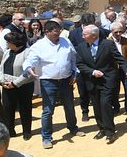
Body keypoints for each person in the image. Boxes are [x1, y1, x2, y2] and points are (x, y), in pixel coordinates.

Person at [24, 20, 83, 149]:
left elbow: (73, 58)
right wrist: (29, 69)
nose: (58, 36)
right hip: (48, 81)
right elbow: (30, 60)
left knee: (69, 106)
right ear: (47, 32)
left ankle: (73, 128)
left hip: (66, 80)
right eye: (55, 33)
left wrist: (74, 72)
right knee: (48, 110)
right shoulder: (39, 46)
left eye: (59, 32)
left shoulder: (65, 41)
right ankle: (46, 137)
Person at [76, 25, 127, 144]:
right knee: (96, 105)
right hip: (92, 80)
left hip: (107, 79)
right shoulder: (81, 47)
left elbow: (119, 58)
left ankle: (110, 132)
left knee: (105, 103)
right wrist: (92, 72)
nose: (82, 36)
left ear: (94, 35)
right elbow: (80, 64)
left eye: (84, 34)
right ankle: (101, 128)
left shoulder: (107, 44)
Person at [0, 32, 35, 139]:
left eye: (8, 42)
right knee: (8, 109)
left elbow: (29, 72)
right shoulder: (7, 52)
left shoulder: (28, 52)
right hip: (6, 85)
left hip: (23, 85)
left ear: (15, 43)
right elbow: (0, 68)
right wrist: (1, 81)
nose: (6, 44)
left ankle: (26, 131)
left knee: (25, 108)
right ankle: (10, 131)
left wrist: (15, 83)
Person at [109, 22, 127, 114]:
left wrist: (126, 64)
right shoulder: (108, 42)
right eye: (116, 32)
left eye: (120, 32)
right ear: (111, 31)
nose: (118, 34)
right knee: (114, 89)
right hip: (113, 70)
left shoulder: (126, 41)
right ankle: (116, 107)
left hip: (125, 70)